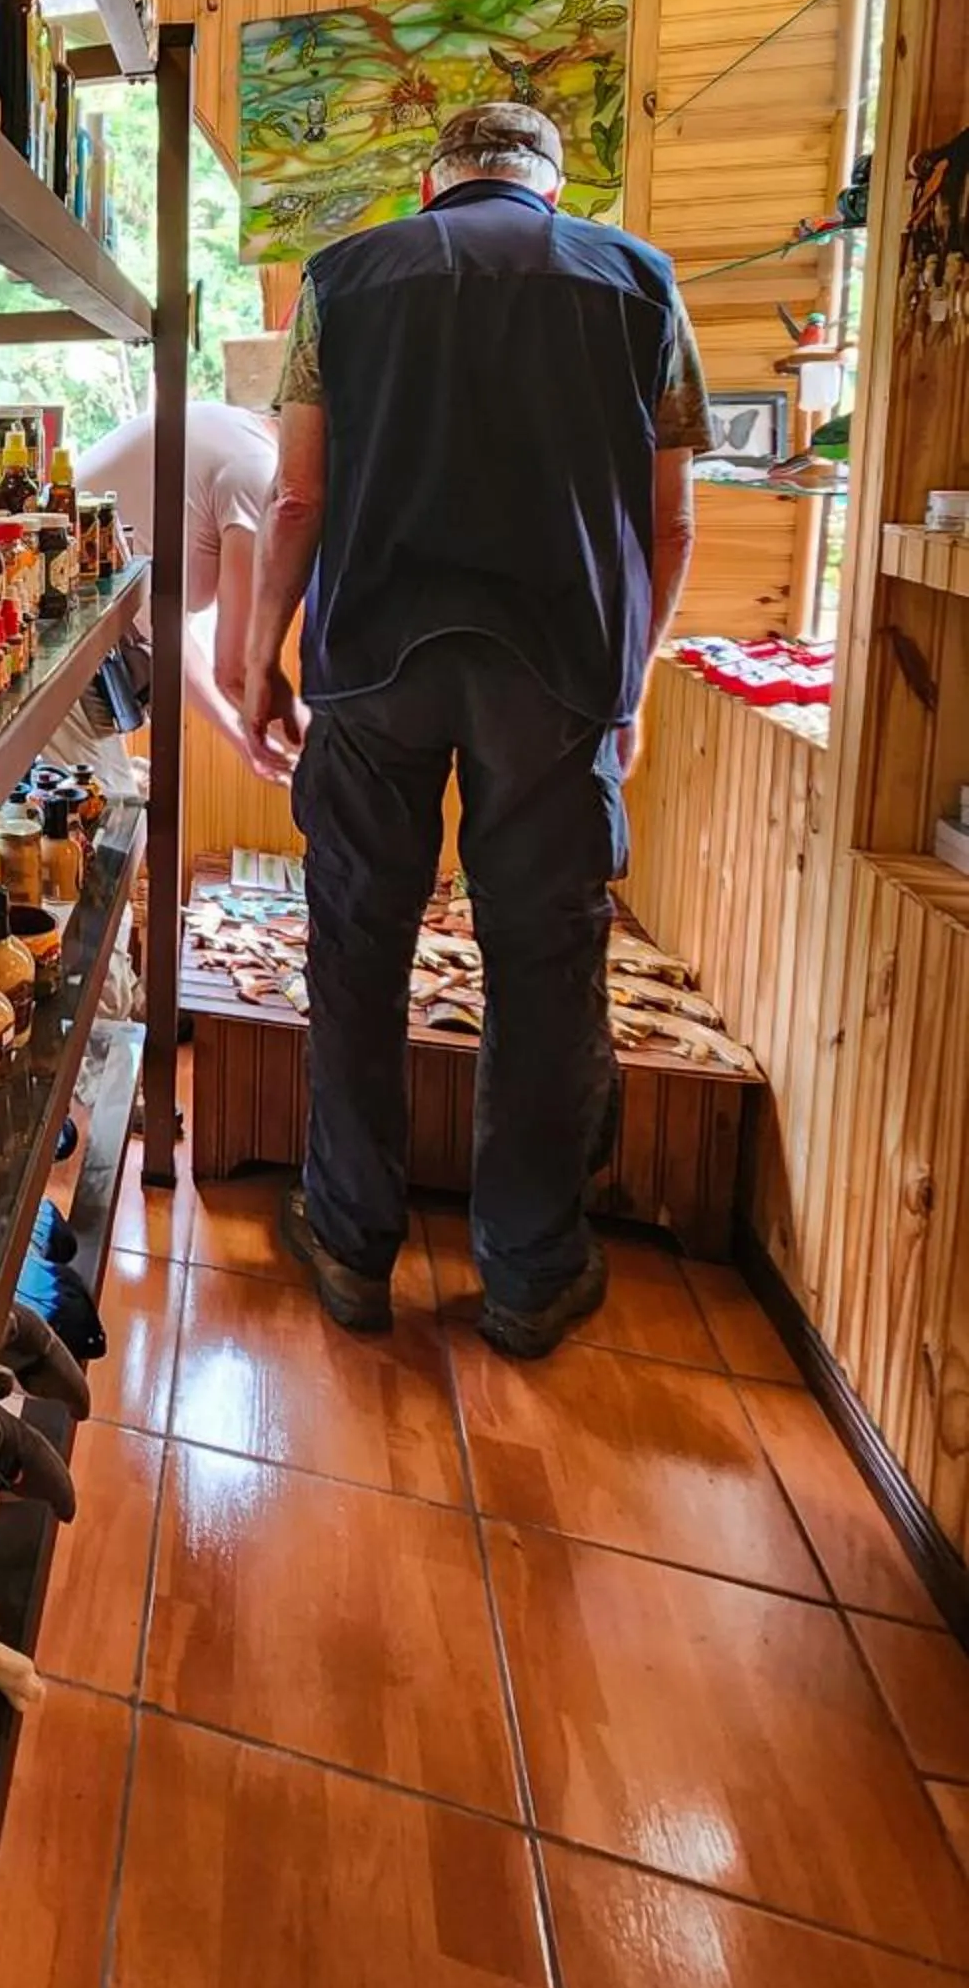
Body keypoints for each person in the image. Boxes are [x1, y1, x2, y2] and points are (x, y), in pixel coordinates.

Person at [238, 99, 710, 1359]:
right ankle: (530, 1273)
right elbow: (670, 527)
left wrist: (256, 661)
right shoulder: (642, 285)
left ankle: (347, 1241)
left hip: (371, 665)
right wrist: (633, 685)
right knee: (546, 972)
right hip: (560, 678)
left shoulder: (344, 279)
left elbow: (297, 497)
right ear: (550, 185)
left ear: (432, 181)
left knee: (355, 943)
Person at [44, 399, 278, 788]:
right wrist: (278, 744)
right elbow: (233, 668)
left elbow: (165, 618)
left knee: (115, 801)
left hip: (88, 650)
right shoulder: (258, 472)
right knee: (109, 827)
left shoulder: (237, 432)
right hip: (54, 642)